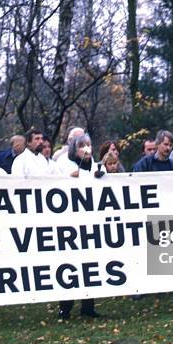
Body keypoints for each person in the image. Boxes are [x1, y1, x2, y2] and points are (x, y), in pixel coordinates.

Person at [56, 134, 100, 319]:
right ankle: (65, 307)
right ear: (75, 149)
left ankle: (88, 306)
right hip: (71, 223)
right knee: (71, 266)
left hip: (90, 222)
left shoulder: (96, 166)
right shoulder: (65, 165)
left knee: (91, 265)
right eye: (82, 146)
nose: (87, 149)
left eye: (89, 145)